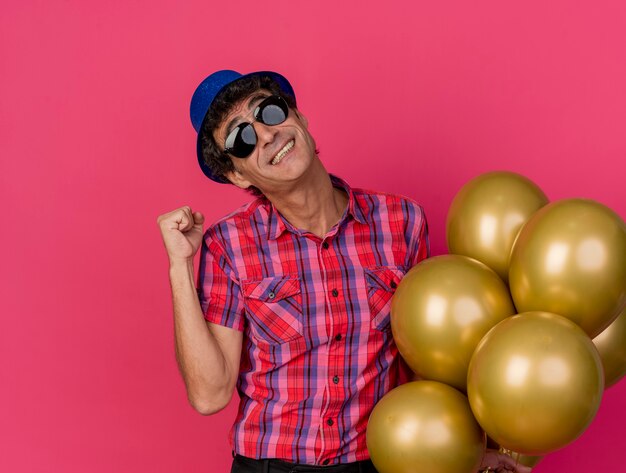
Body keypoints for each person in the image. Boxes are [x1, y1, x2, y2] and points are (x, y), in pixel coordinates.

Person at [157, 70, 531, 473]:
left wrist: (471, 450)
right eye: (241, 139)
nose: (266, 135)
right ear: (237, 173)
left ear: (299, 118)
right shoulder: (227, 244)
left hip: (377, 462)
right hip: (271, 464)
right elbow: (210, 395)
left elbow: (434, 358)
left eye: (269, 111)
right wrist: (180, 265)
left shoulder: (401, 222)